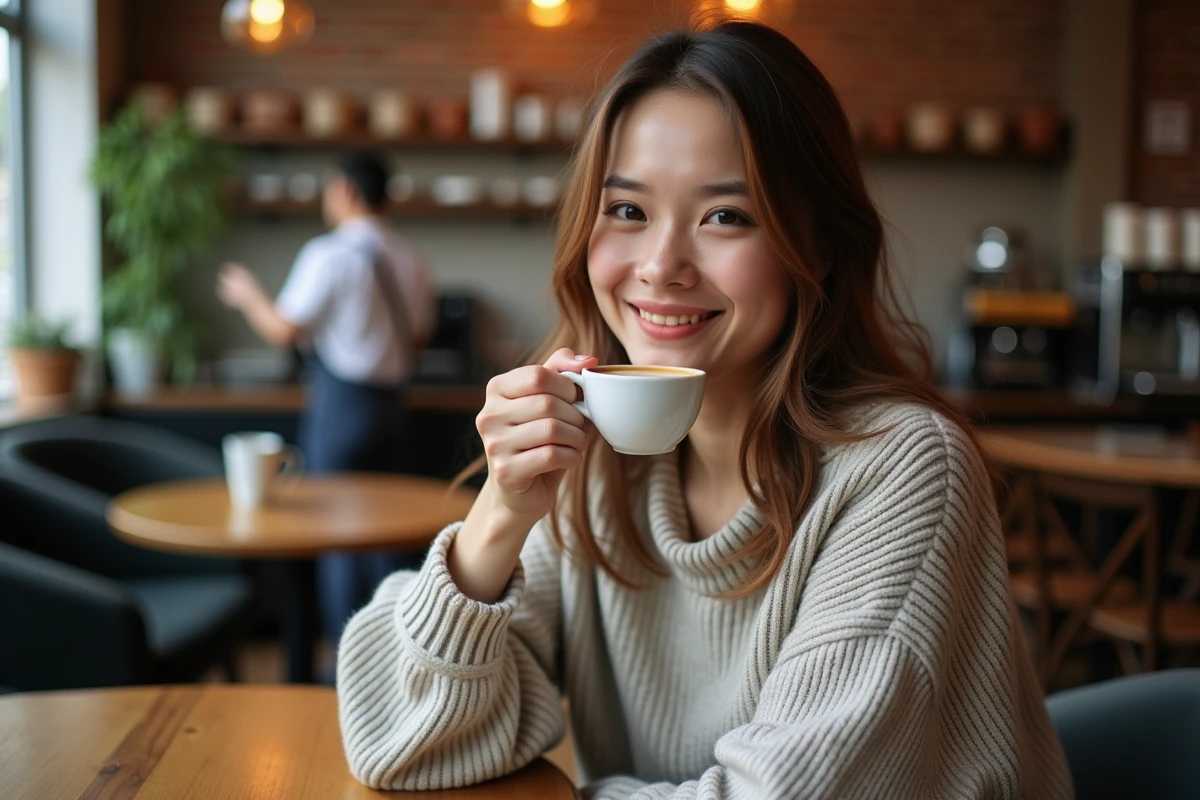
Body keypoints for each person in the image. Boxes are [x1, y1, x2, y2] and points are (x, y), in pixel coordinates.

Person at [335, 21, 1073, 799]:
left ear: (816, 244)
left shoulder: (902, 469)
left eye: (725, 216)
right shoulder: (593, 458)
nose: (660, 266)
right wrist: (500, 514)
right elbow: (395, 741)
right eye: (626, 211)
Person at [216, 151, 436, 645]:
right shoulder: (411, 258)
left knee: (336, 536)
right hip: (392, 409)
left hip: (342, 409)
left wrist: (249, 294)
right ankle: (393, 657)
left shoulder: (329, 254)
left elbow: (283, 330)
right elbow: (419, 340)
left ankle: (345, 664)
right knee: (388, 537)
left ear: (347, 192)